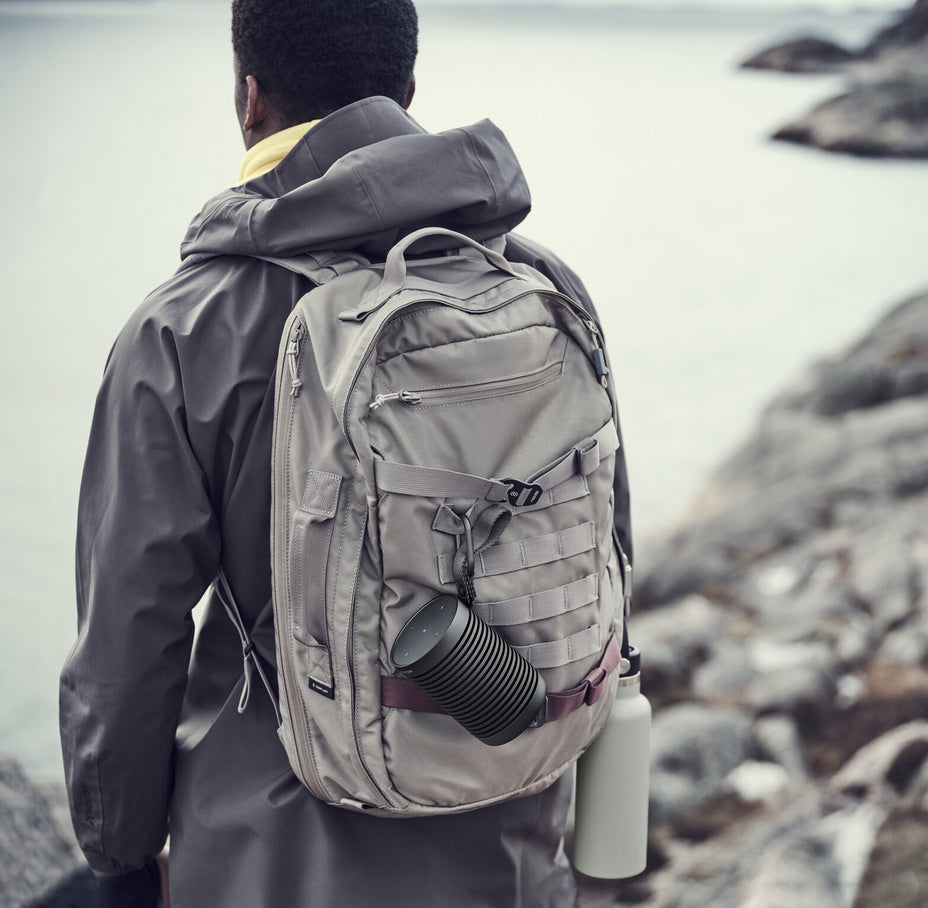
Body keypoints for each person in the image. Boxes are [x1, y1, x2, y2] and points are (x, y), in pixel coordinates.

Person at [58, 1, 631, 905]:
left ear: (250, 98)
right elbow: (604, 554)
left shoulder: (188, 327)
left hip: (273, 858)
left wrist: (120, 858)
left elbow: (129, 643)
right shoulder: (541, 284)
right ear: (408, 91)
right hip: (514, 843)